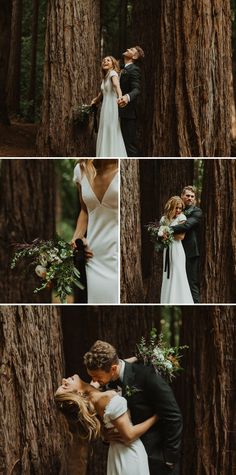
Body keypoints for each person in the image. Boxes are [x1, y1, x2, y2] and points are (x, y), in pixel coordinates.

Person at [84, 340, 183, 475]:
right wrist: (105, 435)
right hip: (128, 459)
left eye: (97, 376)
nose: (94, 381)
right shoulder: (106, 384)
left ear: (113, 369)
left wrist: (170, 459)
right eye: (92, 376)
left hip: (156, 458)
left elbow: (174, 416)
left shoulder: (148, 376)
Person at [55, 374, 157, 475]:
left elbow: (109, 371)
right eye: (65, 387)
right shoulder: (104, 398)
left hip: (117, 452)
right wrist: (157, 417)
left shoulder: (90, 394)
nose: (64, 380)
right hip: (129, 454)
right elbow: (129, 436)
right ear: (79, 393)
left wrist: (135, 358)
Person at [72, 159, 118, 304]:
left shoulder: (126, 169)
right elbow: (85, 211)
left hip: (119, 251)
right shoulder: (80, 170)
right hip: (93, 255)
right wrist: (76, 239)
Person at [171, 186, 202, 303]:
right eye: (187, 195)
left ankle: (196, 305)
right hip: (175, 250)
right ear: (182, 196)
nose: (190, 198)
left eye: (192, 196)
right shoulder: (175, 210)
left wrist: (166, 229)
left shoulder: (197, 212)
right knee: (176, 281)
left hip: (190, 252)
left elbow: (186, 226)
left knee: (191, 283)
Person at [160, 196, 194, 304]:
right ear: (171, 207)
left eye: (180, 208)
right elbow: (159, 235)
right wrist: (161, 236)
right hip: (167, 250)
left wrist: (167, 234)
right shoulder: (164, 219)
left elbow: (181, 237)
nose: (178, 210)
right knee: (167, 275)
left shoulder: (182, 218)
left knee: (177, 273)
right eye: (176, 208)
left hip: (177, 250)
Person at [91, 56, 127, 157]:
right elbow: (102, 93)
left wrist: (120, 97)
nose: (105, 62)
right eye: (103, 61)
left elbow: (116, 86)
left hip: (111, 106)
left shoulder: (112, 74)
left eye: (108, 60)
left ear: (113, 64)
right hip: (105, 107)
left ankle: (111, 154)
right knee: (105, 129)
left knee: (111, 128)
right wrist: (95, 101)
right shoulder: (105, 77)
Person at [118, 46, 144, 157]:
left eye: (132, 50)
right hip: (115, 112)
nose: (128, 49)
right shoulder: (120, 68)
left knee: (128, 145)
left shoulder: (134, 69)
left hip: (128, 114)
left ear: (134, 56)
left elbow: (137, 89)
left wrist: (127, 97)